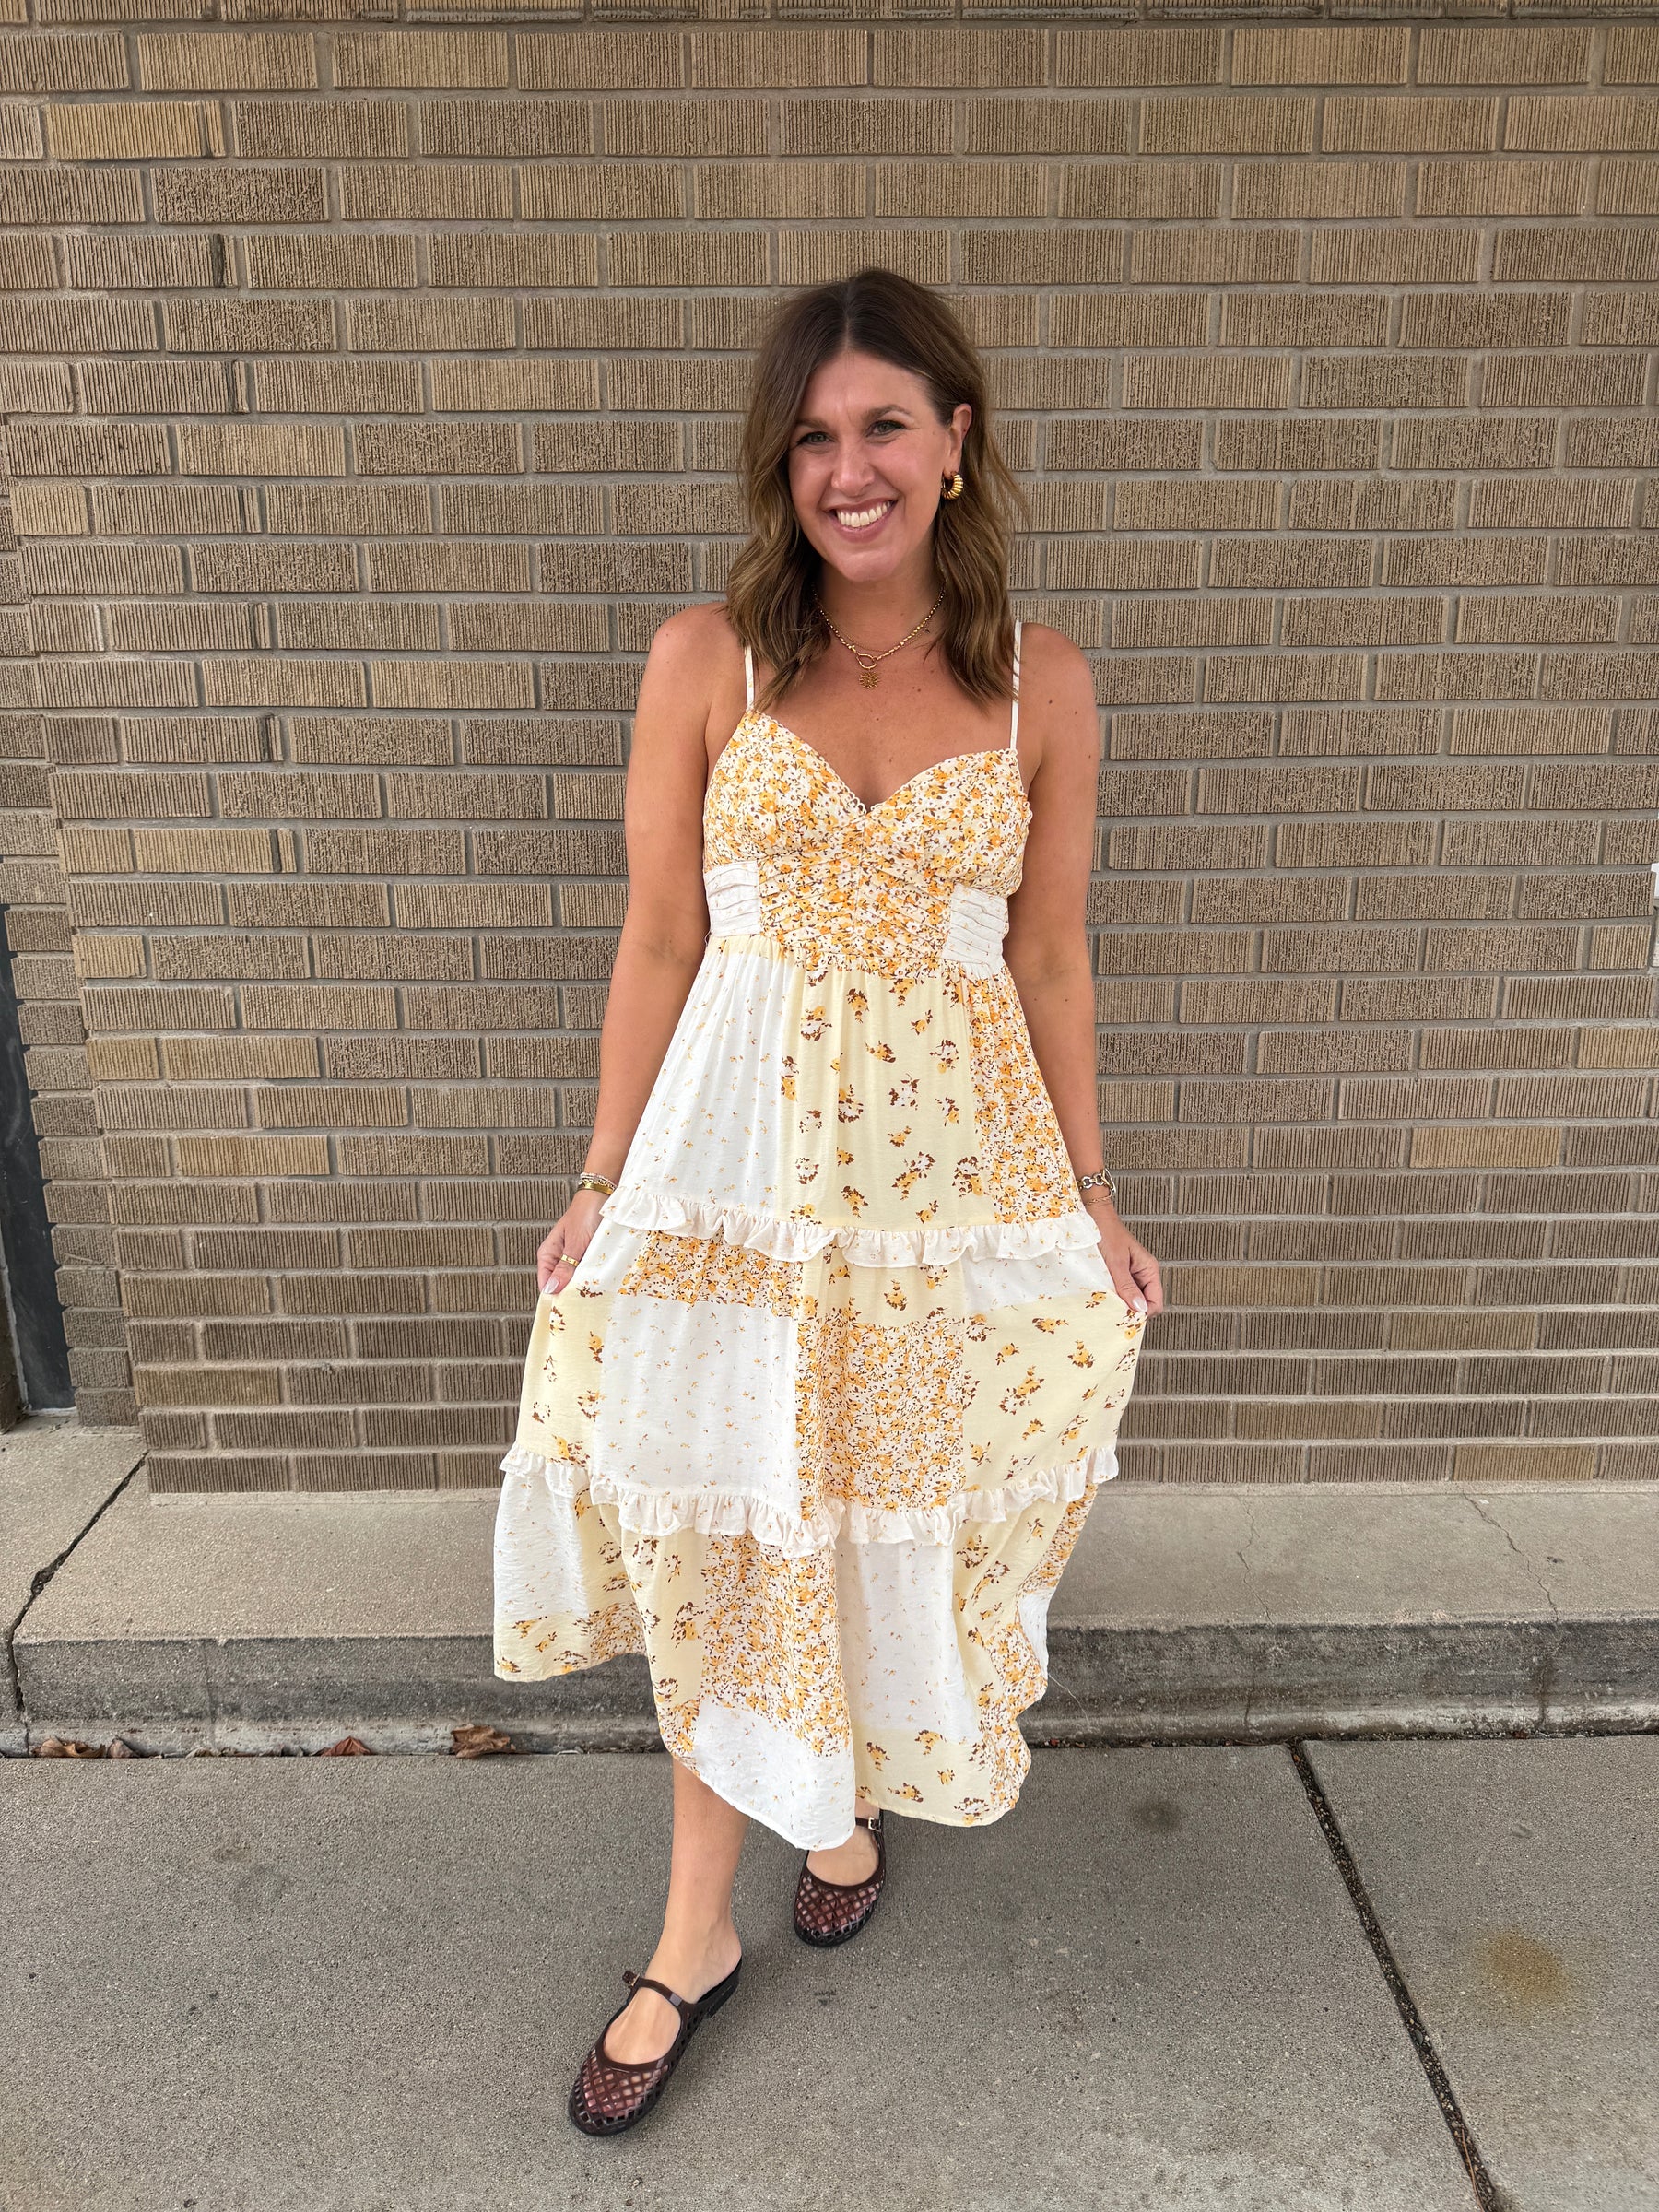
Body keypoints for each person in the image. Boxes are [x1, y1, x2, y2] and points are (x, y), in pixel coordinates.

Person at [493, 265, 1163, 2136]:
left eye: (884, 426)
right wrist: (600, 1181)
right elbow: (657, 936)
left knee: (883, 1508)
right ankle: (694, 1934)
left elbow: (1051, 962)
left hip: (942, 1193)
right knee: (733, 1533)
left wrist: (1096, 1196)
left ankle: (845, 1791)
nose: (847, 467)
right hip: (737, 1182)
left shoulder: (1047, 683)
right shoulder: (707, 656)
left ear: (958, 444)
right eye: (814, 435)